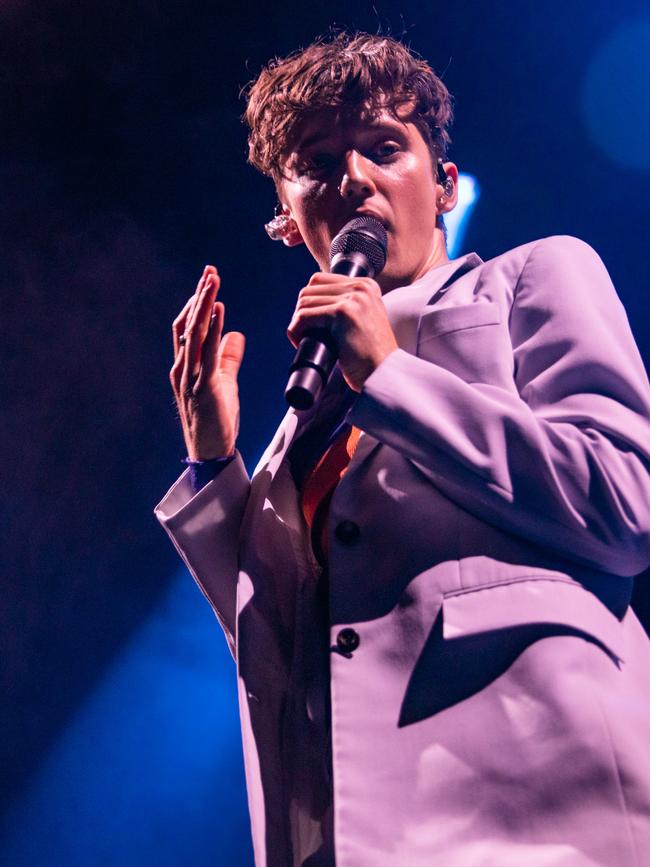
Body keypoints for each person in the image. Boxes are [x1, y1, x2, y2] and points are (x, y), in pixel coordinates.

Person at [155, 31, 650, 867]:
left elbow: (625, 501)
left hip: (549, 820)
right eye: (316, 162)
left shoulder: (533, 278)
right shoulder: (299, 420)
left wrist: (390, 372)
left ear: (446, 185)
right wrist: (213, 463)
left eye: (385, 147)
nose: (352, 177)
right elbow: (287, 652)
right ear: (286, 218)